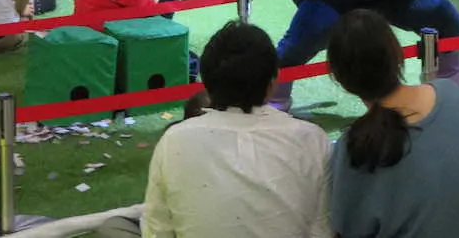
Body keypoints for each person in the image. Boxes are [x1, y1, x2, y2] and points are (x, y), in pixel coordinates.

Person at [139, 21, 331, 238]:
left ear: (207, 84)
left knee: (119, 223)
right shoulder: (312, 138)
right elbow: (322, 229)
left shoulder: (174, 139)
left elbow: (157, 230)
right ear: (273, 83)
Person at [327, 9, 459, 238]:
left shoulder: (355, 145)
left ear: (338, 77)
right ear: (397, 54)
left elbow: (350, 227)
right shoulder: (451, 93)